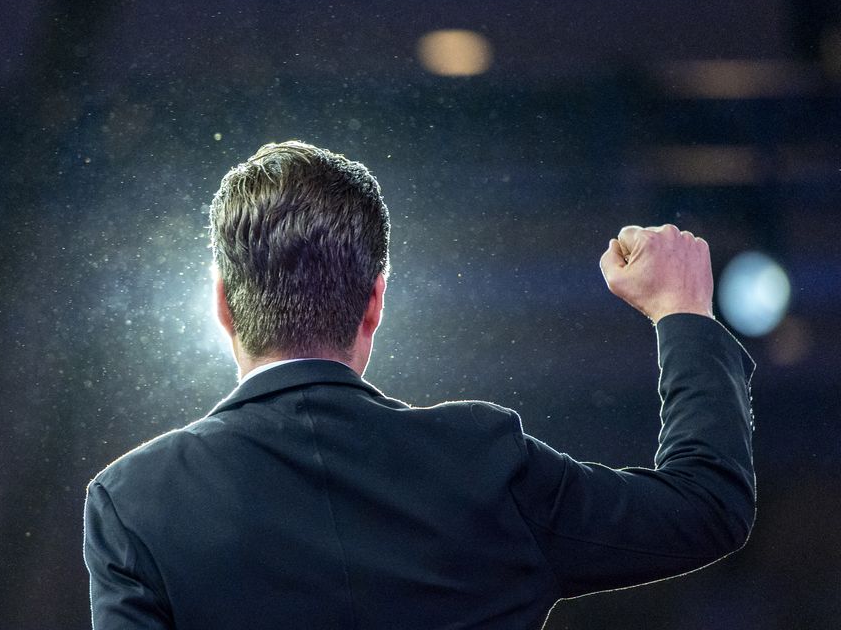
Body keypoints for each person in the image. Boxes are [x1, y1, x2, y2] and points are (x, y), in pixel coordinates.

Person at [83, 141, 755, 629]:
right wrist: (682, 312)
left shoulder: (134, 502)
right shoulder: (483, 461)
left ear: (223, 304)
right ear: (375, 301)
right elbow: (707, 507)